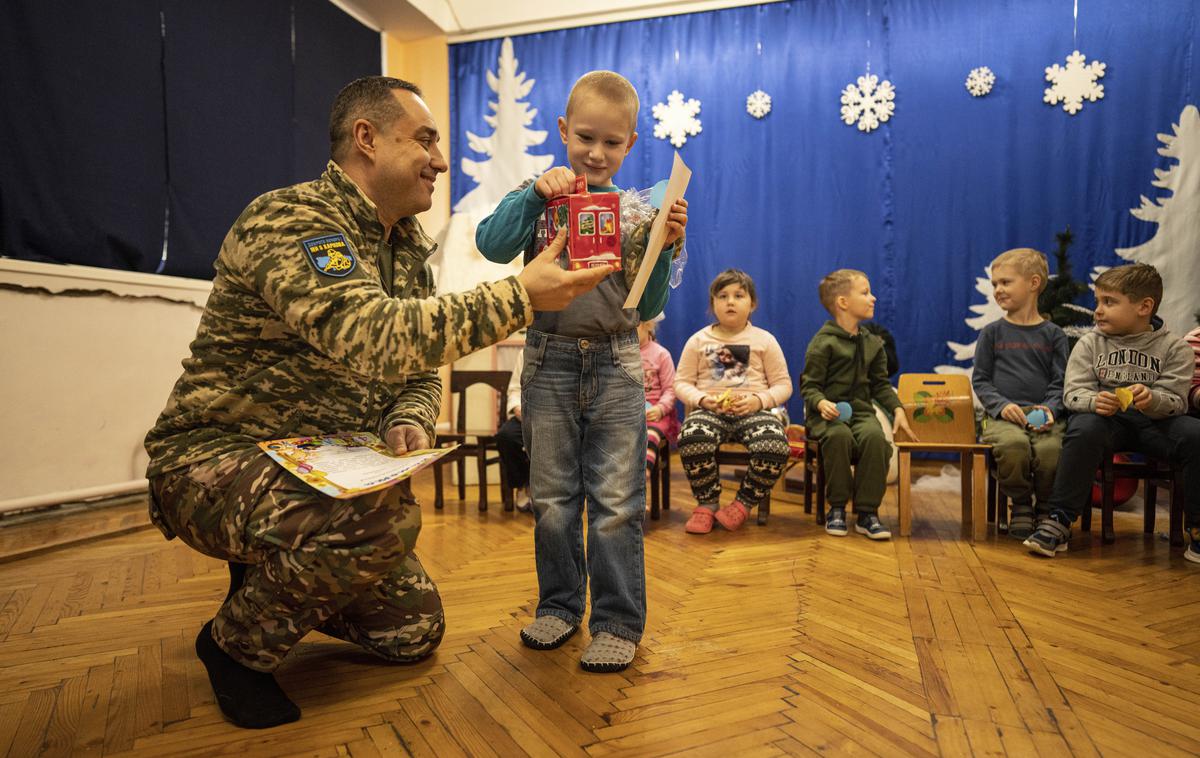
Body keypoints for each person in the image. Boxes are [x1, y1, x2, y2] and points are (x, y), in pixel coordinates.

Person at [143, 76, 611, 730]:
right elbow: (372, 337)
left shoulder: (403, 248)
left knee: (414, 632)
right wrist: (520, 296)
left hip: (323, 466)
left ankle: (262, 583)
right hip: (214, 459)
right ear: (366, 138)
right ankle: (235, 648)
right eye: (425, 139)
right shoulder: (293, 219)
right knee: (380, 523)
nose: (441, 161)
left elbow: (418, 368)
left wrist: (408, 418)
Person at [474, 70, 689, 672]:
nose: (596, 153)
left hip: (619, 360)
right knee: (552, 499)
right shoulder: (539, 193)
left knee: (618, 501)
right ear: (564, 131)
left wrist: (664, 246)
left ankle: (618, 621)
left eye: (612, 143)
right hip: (548, 358)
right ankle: (559, 606)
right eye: (585, 137)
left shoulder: (637, 210)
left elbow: (644, 307)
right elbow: (491, 244)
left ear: (631, 145)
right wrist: (533, 195)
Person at [1023, 264, 1200, 562]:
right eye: (1097, 302)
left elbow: (1177, 401)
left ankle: (1197, 529)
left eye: (1109, 302)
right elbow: (1073, 393)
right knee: (1083, 429)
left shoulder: (1174, 348)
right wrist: (1094, 401)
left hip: (1156, 422)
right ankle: (1059, 520)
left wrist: (1153, 398)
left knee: (1196, 434)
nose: (1098, 311)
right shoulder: (1090, 344)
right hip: (1106, 420)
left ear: (1144, 306)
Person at [800, 269, 916, 540]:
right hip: (827, 417)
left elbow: (880, 385)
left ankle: (867, 512)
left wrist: (898, 408)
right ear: (843, 302)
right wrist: (821, 403)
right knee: (838, 437)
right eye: (865, 293)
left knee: (876, 439)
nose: (873, 298)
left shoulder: (873, 344)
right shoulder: (822, 343)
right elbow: (810, 386)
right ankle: (837, 508)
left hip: (863, 414)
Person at [674, 269, 791, 534]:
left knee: (774, 444)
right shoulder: (698, 340)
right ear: (712, 303)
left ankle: (742, 504)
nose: (730, 301)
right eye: (723, 296)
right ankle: (707, 504)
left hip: (754, 412)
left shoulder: (764, 340)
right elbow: (681, 383)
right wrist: (702, 399)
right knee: (692, 436)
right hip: (710, 412)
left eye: (739, 295)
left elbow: (784, 385)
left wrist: (758, 401)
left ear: (752, 303)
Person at [971, 248, 1069, 539]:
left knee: (1051, 452)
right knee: (1014, 447)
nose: (998, 290)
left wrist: (1051, 409)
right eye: (995, 284)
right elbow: (982, 381)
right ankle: (1022, 505)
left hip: (1046, 417)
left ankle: (1047, 510)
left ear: (1034, 283)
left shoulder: (1054, 335)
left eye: (1005, 282)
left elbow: (1060, 382)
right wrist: (1001, 406)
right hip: (1003, 419)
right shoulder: (992, 333)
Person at [639, 318, 679, 477]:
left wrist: (660, 409)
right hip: (627, 411)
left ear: (648, 325)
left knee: (649, 436)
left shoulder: (661, 354)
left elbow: (671, 389)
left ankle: (640, 488)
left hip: (655, 414)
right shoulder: (619, 353)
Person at [496, 347, 532, 512]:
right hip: (526, 414)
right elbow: (515, 389)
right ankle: (522, 483)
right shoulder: (525, 351)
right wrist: (518, 409)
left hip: (555, 416)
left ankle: (539, 488)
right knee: (506, 436)